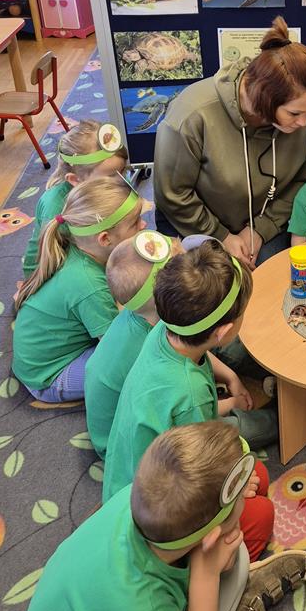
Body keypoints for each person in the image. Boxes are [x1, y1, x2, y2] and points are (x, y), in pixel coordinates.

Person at [15, 420, 306, 611]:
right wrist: (206, 576)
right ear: (210, 535)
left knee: (235, 558)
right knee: (231, 576)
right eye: (240, 495)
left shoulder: (148, 497)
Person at [102, 240, 277, 560]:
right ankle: (215, 572)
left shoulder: (164, 330)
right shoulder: (190, 396)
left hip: (136, 483)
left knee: (259, 476)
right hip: (159, 514)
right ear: (223, 333)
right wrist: (234, 486)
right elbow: (201, 476)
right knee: (261, 515)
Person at [154, 17, 306, 269]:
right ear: (263, 97)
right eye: (294, 113)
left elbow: (305, 179)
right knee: (216, 284)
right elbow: (173, 195)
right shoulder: (192, 116)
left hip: (268, 224)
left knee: (278, 277)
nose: (304, 122)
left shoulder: (302, 111)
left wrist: (261, 229)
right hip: (200, 226)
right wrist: (221, 237)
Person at [12, 177, 145, 402]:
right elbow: (118, 346)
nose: (143, 225)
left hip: (41, 355)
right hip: (49, 375)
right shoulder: (89, 285)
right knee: (137, 366)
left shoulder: (80, 250)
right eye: (135, 223)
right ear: (105, 239)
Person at [85, 229, 181, 459]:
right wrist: (229, 403)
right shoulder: (152, 348)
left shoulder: (138, 313)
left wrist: (229, 376)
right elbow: (179, 404)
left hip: (121, 420)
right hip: (126, 447)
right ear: (163, 298)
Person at [21, 120, 128, 278]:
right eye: (112, 176)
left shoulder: (105, 183)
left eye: (123, 171)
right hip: (55, 270)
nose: (122, 182)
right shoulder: (55, 207)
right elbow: (42, 263)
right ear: (75, 180)